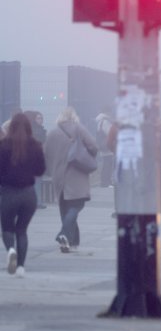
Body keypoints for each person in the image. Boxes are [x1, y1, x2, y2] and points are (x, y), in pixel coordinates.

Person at [43, 106, 98, 253]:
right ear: (74, 116)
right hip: (76, 174)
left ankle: (70, 243)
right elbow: (94, 146)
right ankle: (63, 235)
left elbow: (46, 154)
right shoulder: (79, 128)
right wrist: (88, 154)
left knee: (65, 209)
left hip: (58, 176)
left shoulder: (52, 133)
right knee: (76, 206)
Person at [0, 113, 46, 277]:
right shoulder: (36, 145)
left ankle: (11, 250)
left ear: (11, 126)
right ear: (29, 126)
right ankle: (20, 267)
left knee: (7, 228)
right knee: (22, 230)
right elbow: (41, 170)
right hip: (28, 195)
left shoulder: (3, 145)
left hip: (8, 193)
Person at [24, 111, 47, 209]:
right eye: (38, 118)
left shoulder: (36, 130)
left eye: (41, 118)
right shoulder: (37, 131)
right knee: (37, 181)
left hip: (32, 159)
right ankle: (38, 202)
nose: (40, 120)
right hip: (35, 159)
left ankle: (34, 201)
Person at [95, 108, 115, 188]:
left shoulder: (100, 121)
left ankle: (105, 182)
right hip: (107, 146)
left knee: (106, 164)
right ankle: (106, 182)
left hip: (103, 146)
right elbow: (109, 132)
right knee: (108, 165)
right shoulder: (105, 121)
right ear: (107, 112)